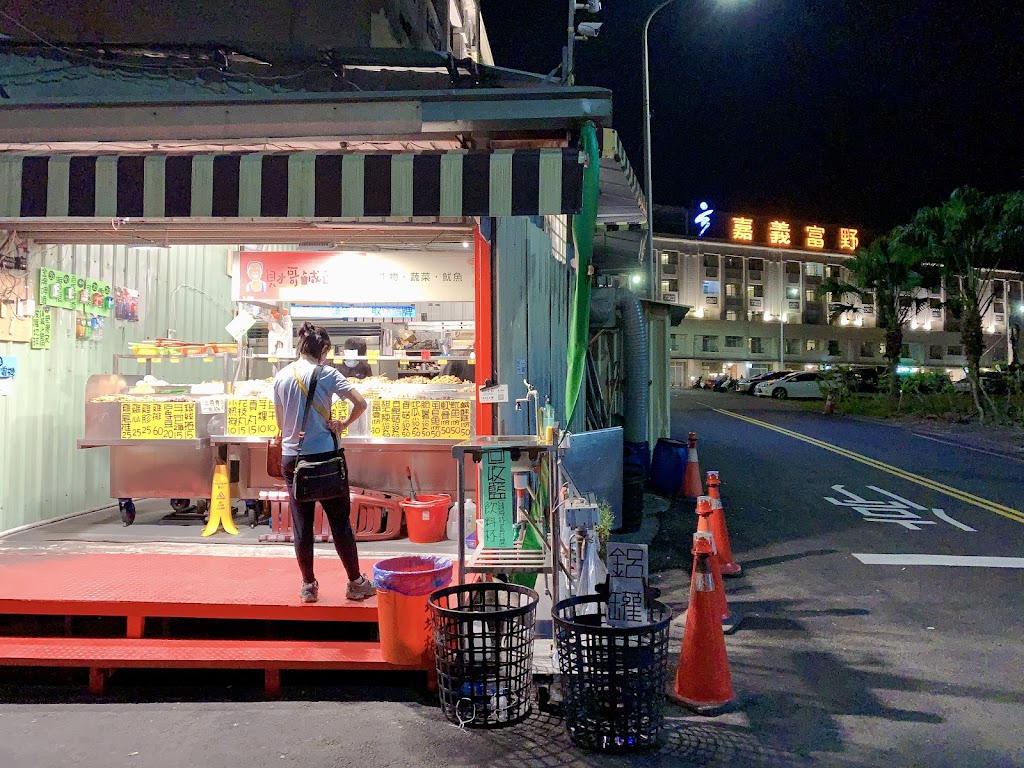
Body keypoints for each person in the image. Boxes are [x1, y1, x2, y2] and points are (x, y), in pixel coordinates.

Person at [273, 322, 375, 604]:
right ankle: (355, 583)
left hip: (293, 459)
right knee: (340, 522)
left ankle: (308, 586)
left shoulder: (281, 377)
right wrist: (341, 423)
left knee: (302, 525)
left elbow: (281, 424)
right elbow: (360, 403)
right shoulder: (328, 374)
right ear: (325, 350)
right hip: (326, 458)